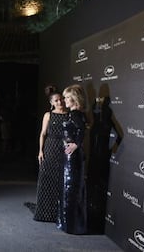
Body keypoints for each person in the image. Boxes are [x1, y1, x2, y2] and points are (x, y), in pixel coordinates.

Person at [33, 86, 68, 222]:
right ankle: (45, 212)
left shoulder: (69, 114)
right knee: (47, 180)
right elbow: (42, 134)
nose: (60, 103)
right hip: (50, 148)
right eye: (57, 101)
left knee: (61, 180)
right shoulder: (48, 115)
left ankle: (58, 212)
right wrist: (40, 151)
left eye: (61, 100)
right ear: (51, 103)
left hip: (64, 149)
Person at [57, 84, 87, 235]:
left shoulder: (76, 114)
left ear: (75, 98)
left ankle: (72, 225)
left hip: (73, 157)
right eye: (65, 97)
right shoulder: (75, 113)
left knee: (71, 189)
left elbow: (82, 129)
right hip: (71, 156)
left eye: (68, 97)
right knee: (70, 189)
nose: (65, 100)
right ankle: (70, 224)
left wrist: (76, 145)